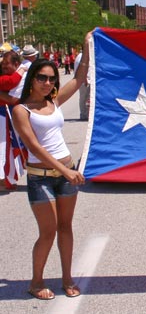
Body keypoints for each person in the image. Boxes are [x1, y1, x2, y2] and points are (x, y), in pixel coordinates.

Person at [11, 31, 91, 300]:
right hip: (41, 177)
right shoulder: (21, 110)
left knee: (66, 228)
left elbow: (80, 78)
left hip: (65, 174)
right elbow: (34, 147)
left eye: (51, 78)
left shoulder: (53, 102)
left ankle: (67, 279)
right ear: (31, 79)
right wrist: (66, 170)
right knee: (48, 232)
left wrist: (86, 46)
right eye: (42, 77)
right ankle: (36, 282)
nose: (47, 82)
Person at [0, 52, 27, 190]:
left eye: (6, 64)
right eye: (2, 64)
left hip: (8, 115)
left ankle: (6, 179)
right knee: (4, 148)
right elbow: (10, 83)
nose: (3, 66)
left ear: (15, 63)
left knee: (9, 147)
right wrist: (21, 70)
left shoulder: (22, 76)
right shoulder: (15, 75)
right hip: (3, 116)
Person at [74, 51, 90, 120]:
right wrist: (85, 79)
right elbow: (81, 68)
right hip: (84, 80)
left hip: (87, 80)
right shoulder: (81, 57)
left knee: (87, 98)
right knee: (83, 98)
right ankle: (83, 114)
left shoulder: (82, 56)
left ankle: (86, 114)